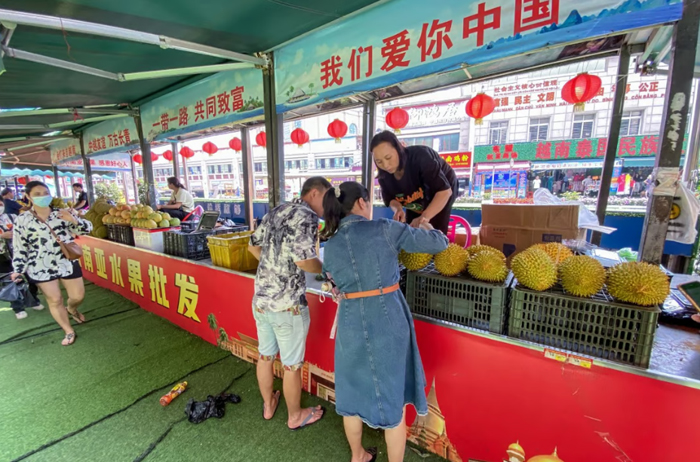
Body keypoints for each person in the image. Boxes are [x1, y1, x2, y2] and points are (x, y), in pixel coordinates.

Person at [321, 181, 448, 462]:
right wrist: (425, 223)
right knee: (394, 403)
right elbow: (439, 244)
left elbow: (331, 281)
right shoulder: (385, 228)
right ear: (362, 203)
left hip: (350, 321)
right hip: (387, 319)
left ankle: (358, 455)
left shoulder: (330, 245)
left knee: (351, 395)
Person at [247, 177, 330, 430]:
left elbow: (252, 246)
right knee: (291, 366)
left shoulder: (278, 210)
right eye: (326, 197)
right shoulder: (307, 216)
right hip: (287, 306)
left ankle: (268, 404)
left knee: (265, 356)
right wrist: (328, 271)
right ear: (314, 193)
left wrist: (274, 269)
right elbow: (304, 261)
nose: (328, 205)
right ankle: (295, 416)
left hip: (261, 300)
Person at [10, 181, 92, 346]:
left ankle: (72, 309)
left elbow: (87, 229)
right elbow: (20, 246)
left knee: (77, 296)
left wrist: (73, 219)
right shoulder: (22, 220)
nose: (42, 196)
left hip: (66, 261)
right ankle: (68, 330)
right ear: (28, 197)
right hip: (40, 266)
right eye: (37, 194)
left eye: (45, 193)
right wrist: (18, 268)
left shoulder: (62, 213)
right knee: (54, 300)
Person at [371, 131, 458, 233]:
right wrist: (398, 209)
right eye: (379, 161)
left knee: (434, 230)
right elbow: (390, 199)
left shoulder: (421, 157)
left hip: (441, 191)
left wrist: (425, 216)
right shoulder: (384, 175)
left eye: (388, 158)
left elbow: (444, 192)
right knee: (411, 228)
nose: (385, 165)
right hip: (416, 199)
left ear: (399, 148)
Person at [0, 204, 43, 319]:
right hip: (3, 258)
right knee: (10, 282)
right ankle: (18, 308)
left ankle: (34, 301)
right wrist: (1, 236)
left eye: (0, 204)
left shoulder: (13, 217)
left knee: (31, 279)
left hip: (21, 253)